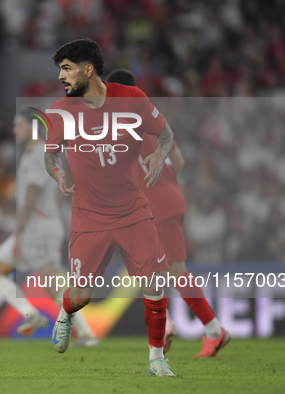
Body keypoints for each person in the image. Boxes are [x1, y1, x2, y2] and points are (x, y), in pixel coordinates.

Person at [45, 39, 175, 376]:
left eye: (67, 68)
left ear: (88, 70)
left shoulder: (132, 99)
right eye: (60, 69)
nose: (61, 76)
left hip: (133, 210)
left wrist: (160, 154)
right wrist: (58, 172)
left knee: (154, 283)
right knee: (82, 296)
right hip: (89, 216)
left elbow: (165, 134)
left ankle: (157, 360)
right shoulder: (59, 111)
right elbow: (50, 153)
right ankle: (66, 312)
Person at [106, 69, 230, 358]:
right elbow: (179, 161)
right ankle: (195, 328)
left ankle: (208, 330)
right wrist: (166, 182)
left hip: (148, 204)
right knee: (154, 268)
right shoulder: (151, 116)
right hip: (169, 198)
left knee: (166, 269)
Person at [0, 111, 98, 346]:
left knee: (54, 284)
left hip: (36, 228)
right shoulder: (39, 155)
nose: (15, 130)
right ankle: (31, 315)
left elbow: (31, 197)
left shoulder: (39, 154)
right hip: (38, 225)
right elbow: (57, 192)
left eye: (19, 125)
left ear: (34, 128)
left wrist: (22, 231)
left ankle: (87, 334)